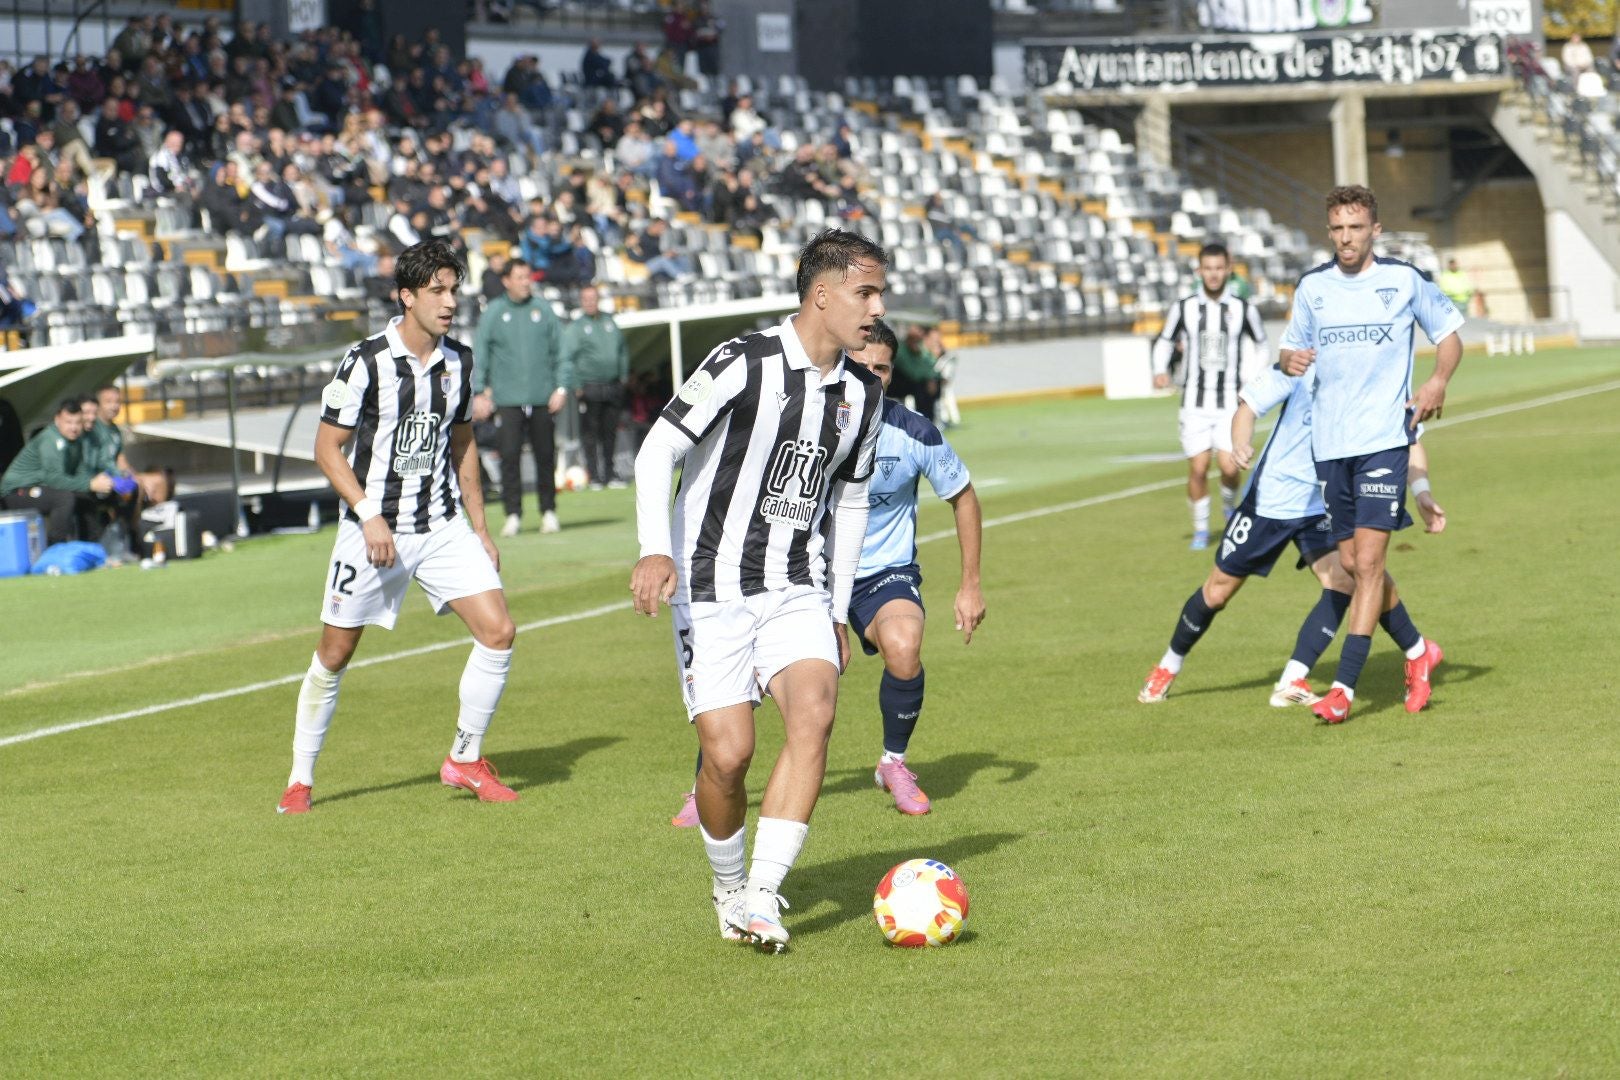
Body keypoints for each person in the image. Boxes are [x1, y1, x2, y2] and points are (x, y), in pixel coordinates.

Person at [631, 228, 887, 953]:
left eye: (878, 293)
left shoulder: (861, 396)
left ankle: (763, 895)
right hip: (710, 586)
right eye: (865, 292)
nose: (875, 308)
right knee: (729, 755)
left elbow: (853, 502)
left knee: (814, 711)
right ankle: (727, 885)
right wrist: (656, 549)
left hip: (796, 585)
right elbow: (659, 449)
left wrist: (837, 607)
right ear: (823, 293)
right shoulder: (742, 362)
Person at [277, 240, 517, 815]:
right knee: (335, 652)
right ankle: (300, 778)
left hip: (440, 525)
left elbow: (463, 444)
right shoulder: (365, 362)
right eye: (437, 290)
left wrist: (479, 526)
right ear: (406, 297)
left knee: (499, 631)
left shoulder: (459, 361)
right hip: (373, 530)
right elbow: (327, 449)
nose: (449, 301)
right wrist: (368, 514)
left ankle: (464, 758)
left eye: (454, 290)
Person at [1137, 359, 1445, 709]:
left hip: (1325, 502)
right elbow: (1248, 407)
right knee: (1218, 590)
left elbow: (1409, 437)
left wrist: (1422, 491)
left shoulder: (1376, 372)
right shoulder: (1301, 364)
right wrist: (1240, 443)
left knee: (1349, 577)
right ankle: (1168, 665)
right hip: (1273, 499)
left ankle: (1294, 677)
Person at [1280, 185, 1461, 723]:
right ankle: (1417, 650)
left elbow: (1449, 333)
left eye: (1355, 228)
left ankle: (1343, 688)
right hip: (1330, 446)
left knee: (1371, 564)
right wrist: (1289, 359)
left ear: (1375, 230)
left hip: (1384, 440)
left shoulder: (1403, 279)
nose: (1345, 238)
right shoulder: (1313, 287)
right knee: (1357, 565)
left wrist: (1437, 382)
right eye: (1337, 228)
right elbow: (1292, 346)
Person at [838, 319, 985, 811]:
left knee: (904, 645)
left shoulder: (915, 432)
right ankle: (707, 783)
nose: (869, 375)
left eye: (880, 368)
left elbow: (963, 497)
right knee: (767, 678)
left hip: (884, 573)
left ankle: (893, 763)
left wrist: (970, 586)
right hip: (809, 574)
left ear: (891, 375)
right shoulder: (808, 424)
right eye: (860, 366)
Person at [1151, 242, 1266, 550]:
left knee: (1230, 467)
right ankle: (1201, 530)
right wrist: (1160, 368)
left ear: (1228, 270)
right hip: (1194, 404)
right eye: (1208, 269)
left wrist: (1252, 382)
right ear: (1199, 271)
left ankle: (1229, 510)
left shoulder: (1243, 308)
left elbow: (1261, 345)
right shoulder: (1184, 307)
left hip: (1230, 402)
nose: (1213, 275)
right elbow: (1164, 341)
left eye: (1219, 268)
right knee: (1198, 468)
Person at [471, 256, 569, 537]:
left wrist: (561, 387)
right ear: (507, 281)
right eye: (520, 277)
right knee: (510, 456)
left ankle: (548, 511)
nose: (526, 283)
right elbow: (482, 354)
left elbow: (561, 351)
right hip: (507, 398)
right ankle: (513, 514)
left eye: (528, 277)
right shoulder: (494, 312)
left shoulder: (543, 309)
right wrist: (480, 392)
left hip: (542, 396)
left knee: (545, 455)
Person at [2, 398, 114, 544]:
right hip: (16, 492)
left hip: (40, 488)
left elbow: (80, 474)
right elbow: (53, 479)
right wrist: (90, 484)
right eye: (69, 422)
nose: (74, 428)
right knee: (63, 498)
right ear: (57, 419)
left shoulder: (75, 441)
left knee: (85, 497)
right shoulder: (50, 439)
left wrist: (97, 483)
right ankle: (55, 547)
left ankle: (93, 546)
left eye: (78, 423)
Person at [563, 284, 629, 489]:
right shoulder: (576, 327)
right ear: (582, 302)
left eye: (593, 298)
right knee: (591, 433)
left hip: (612, 386)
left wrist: (623, 375)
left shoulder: (610, 322)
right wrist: (576, 385)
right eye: (586, 299)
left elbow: (622, 350)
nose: (590, 302)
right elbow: (569, 358)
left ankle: (610, 473)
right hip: (589, 387)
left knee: (610, 432)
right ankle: (594, 475)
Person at [892, 324, 940, 422]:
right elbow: (913, 373)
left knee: (931, 385)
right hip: (895, 385)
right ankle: (925, 420)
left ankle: (928, 420)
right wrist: (929, 378)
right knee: (922, 387)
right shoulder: (901, 349)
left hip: (912, 384)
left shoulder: (918, 349)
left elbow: (931, 366)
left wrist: (932, 378)